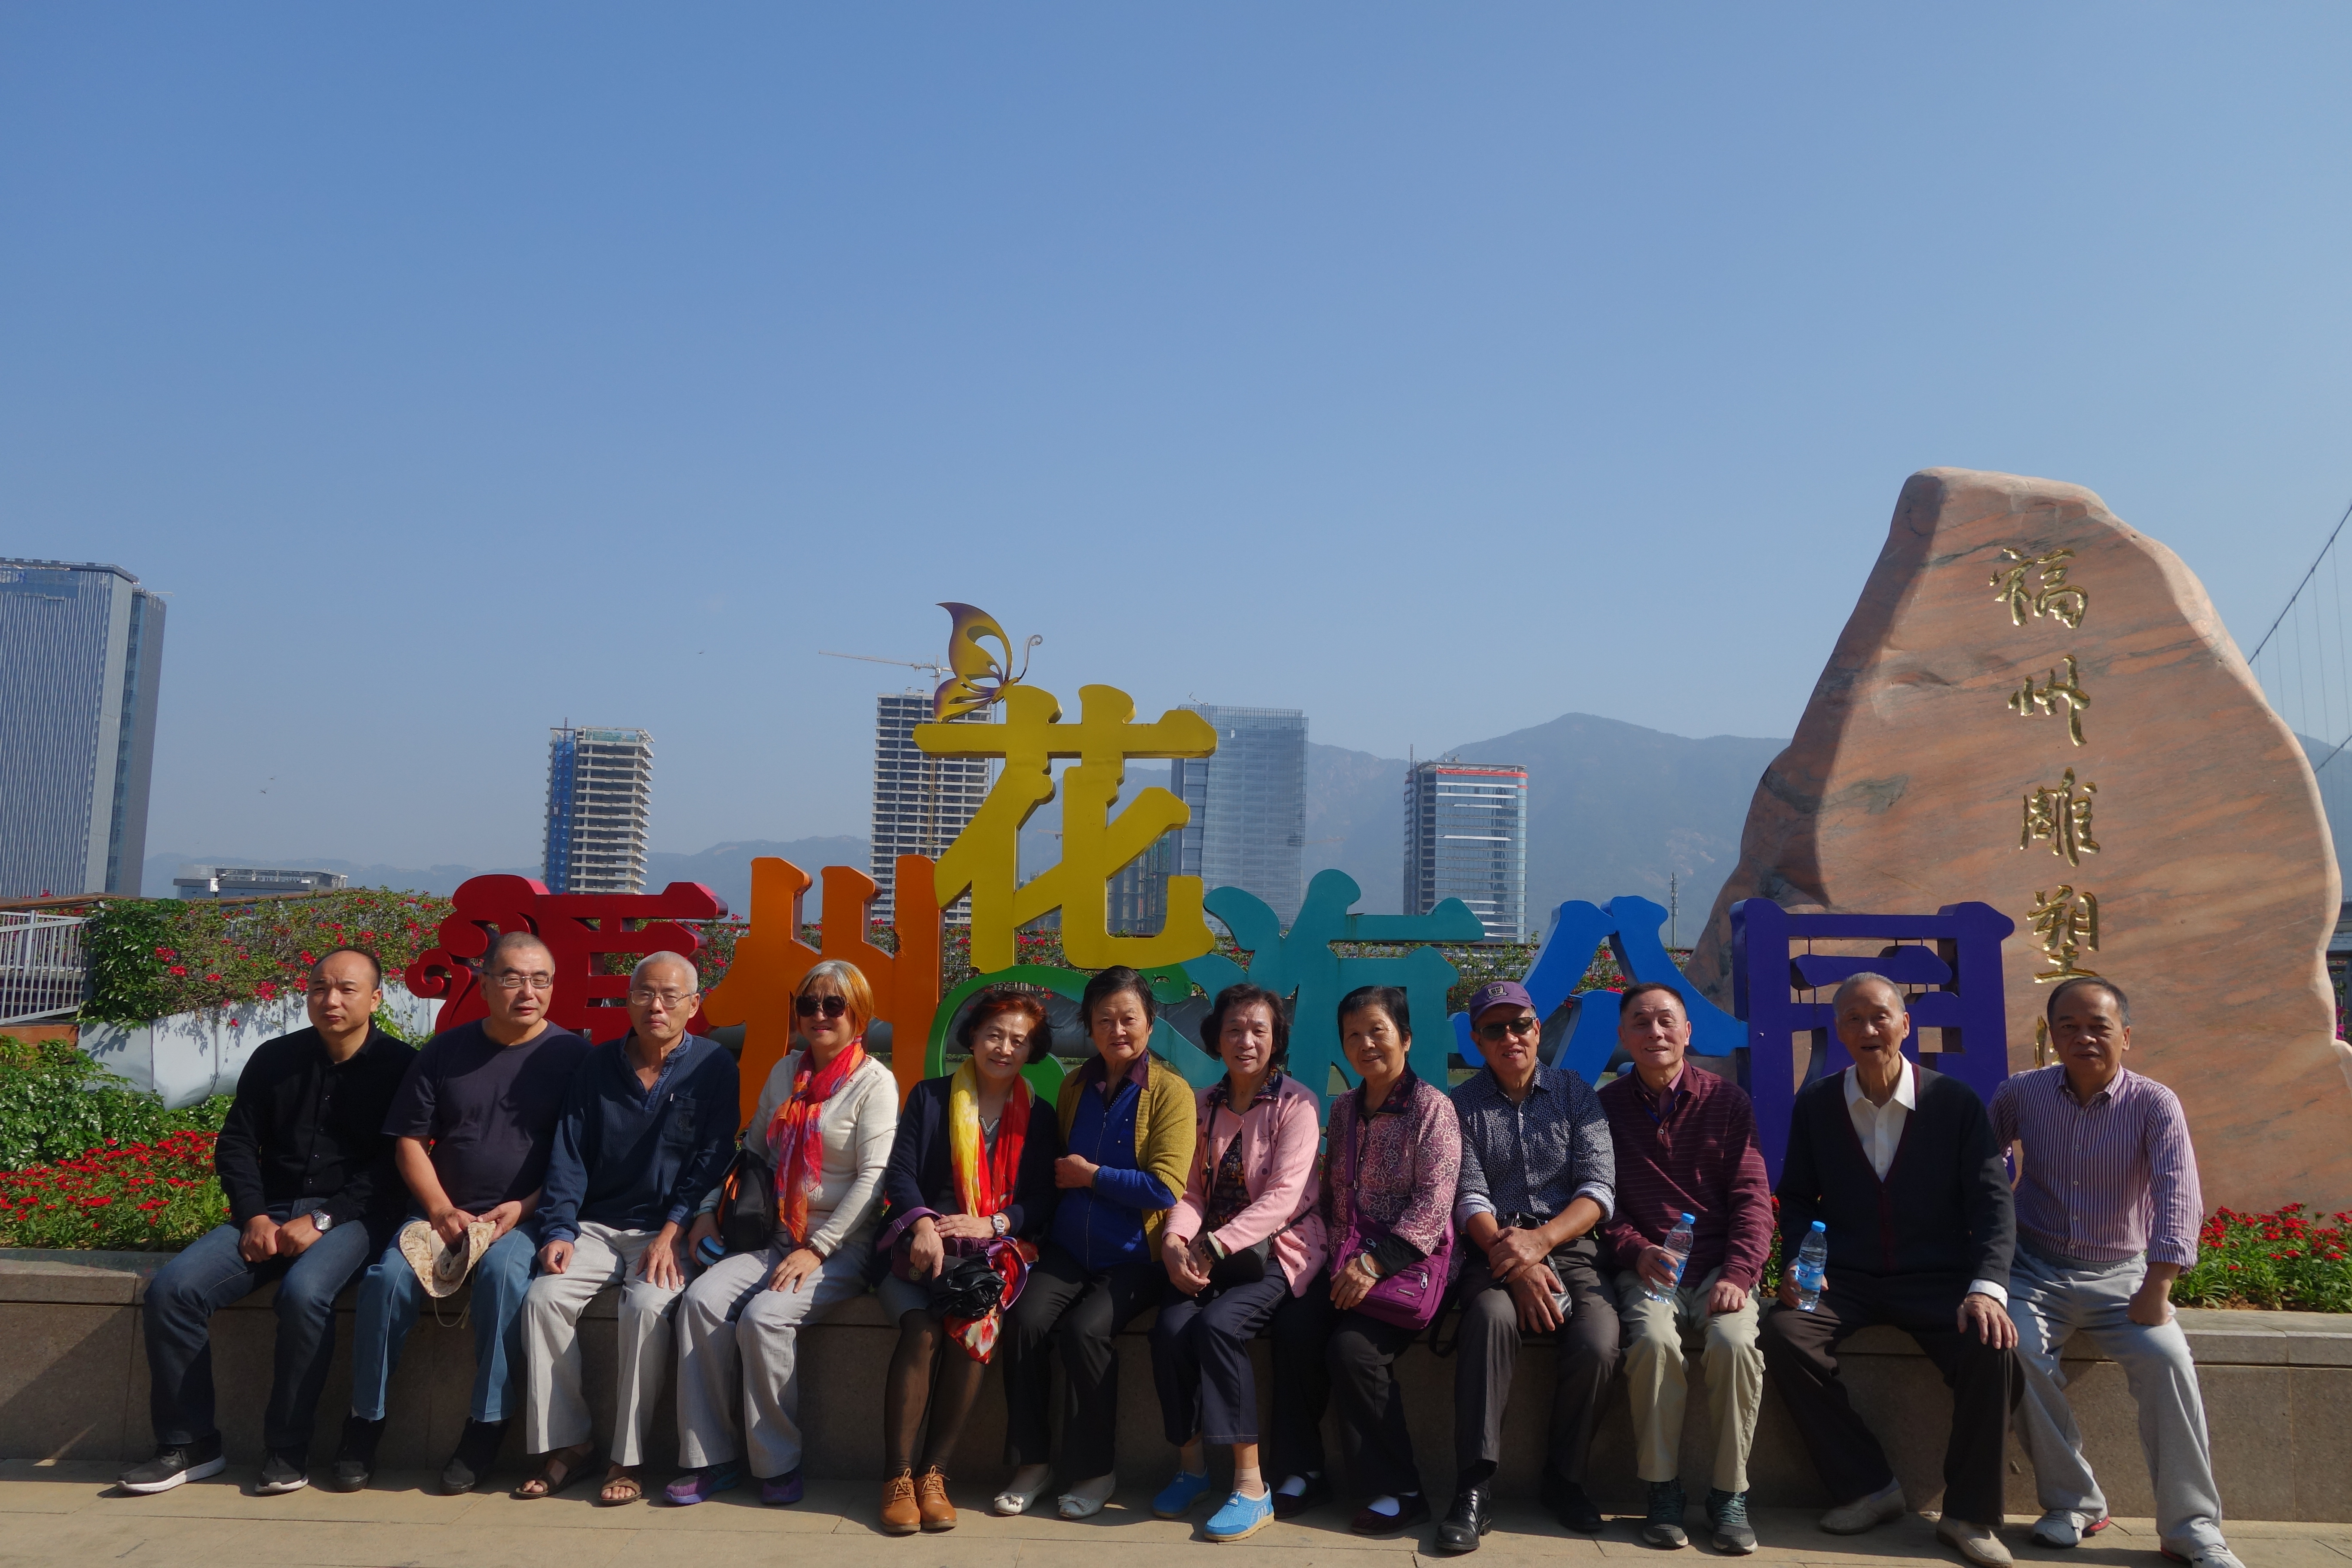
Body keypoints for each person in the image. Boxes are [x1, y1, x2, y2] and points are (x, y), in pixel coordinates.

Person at [119, 949, 416, 1496]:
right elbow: (236, 1143)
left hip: (355, 1218)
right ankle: (190, 1443)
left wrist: (323, 1219)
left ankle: (287, 1448)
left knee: (304, 1295)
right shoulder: (275, 1058)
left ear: (376, 999)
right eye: (319, 988)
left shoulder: (402, 1067)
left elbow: (393, 1166)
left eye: (347, 989)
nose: (330, 1000)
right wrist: (253, 1215)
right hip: (271, 1211)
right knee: (174, 1291)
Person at [1759, 973, 2023, 1568]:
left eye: (1880, 1016)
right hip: (1846, 1279)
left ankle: (1969, 1514)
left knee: (1992, 1348)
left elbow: (1992, 1204)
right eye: (1854, 1019)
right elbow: (1796, 1196)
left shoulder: (1953, 1103)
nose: (1869, 1029)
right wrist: (1800, 1258)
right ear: (1839, 1031)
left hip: (1937, 1278)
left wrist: (1987, 1288)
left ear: (1906, 1024)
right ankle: (1869, 1487)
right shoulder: (1818, 1104)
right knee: (1783, 1332)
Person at [1991, 977, 2241, 1568]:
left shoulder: (2155, 1104)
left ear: (2125, 1036)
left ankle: (2191, 1526)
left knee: (2169, 1362)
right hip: (2034, 1270)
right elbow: (1982, 1160)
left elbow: (2179, 1194)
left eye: (2098, 1027)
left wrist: (2159, 1284)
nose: (2084, 1038)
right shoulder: (2020, 1093)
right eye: (2070, 1027)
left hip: (2124, 1276)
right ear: (2052, 1038)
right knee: (2013, 1350)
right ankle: (2073, 1502)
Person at [334, 931, 590, 1494]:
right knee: (385, 1282)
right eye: (513, 978)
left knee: (503, 1279)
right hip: (439, 1214)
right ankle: (364, 1421)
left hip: (524, 1218)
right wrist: (441, 1209)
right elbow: (409, 1141)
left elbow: (580, 1157)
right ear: (485, 983)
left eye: (540, 980)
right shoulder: (446, 1051)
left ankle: (486, 1426)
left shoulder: (574, 1058)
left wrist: (523, 1207)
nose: (528, 991)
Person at [670, 959, 898, 1507]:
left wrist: (818, 1249)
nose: (820, 1015)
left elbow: (873, 1181)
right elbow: (752, 1153)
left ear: (859, 1014)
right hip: (773, 1235)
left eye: (834, 1005)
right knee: (700, 1301)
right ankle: (711, 1458)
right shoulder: (785, 1072)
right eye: (809, 1005)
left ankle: (778, 1462)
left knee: (765, 1317)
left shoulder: (874, 1083)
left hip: (840, 1246)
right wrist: (707, 1209)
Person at [514, 951, 738, 1505]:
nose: (656, 1006)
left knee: (646, 1308)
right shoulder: (597, 1066)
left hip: (667, 1230)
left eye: (670, 996)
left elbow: (712, 1159)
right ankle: (570, 1444)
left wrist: (673, 1228)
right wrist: (559, 1230)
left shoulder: (713, 1066)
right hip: (595, 1226)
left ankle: (627, 1457)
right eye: (644, 993)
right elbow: (569, 1155)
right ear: (629, 1000)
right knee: (543, 1299)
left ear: (694, 1005)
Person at [996, 965, 1194, 1520]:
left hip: (1135, 1258)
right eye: (1104, 1020)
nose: (1117, 1030)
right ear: (1088, 1026)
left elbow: (1165, 1187)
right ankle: (1032, 1463)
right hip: (1068, 1250)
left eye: (1129, 1018)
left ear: (1150, 1023)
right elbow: (1057, 1168)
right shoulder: (1075, 1087)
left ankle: (1095, 1470)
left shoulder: (1171, 1093)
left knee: (1086, 1331)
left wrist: (1094, 1176)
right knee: (1024, 1320)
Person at [1269, 985, 1459, 1537]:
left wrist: (1375, 1264)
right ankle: (1304, 1470)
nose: (1366, 1044)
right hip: (1344, 1262)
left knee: (1353, 1349)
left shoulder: (1433, 1108)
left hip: (1406, 1268)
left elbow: (1434, 1203)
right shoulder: (1345, 1107)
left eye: (1378, 1031)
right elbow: (1333, 1195)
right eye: (1353, 1035)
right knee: (1294, 1329)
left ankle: (1401, 1489)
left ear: (1406, 1038)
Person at [868, 986, 1058, 1534]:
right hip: (915, 1251)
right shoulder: (930, 1098)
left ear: (1033, 1050)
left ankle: (934, 1475)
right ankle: (897, 1477)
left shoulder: (1040, 1117)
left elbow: (1043, 1199)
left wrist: (995, 1223)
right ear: (972, 1038)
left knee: (976, 1326)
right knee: (923, 1330)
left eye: (1019, 1040)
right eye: (994, 1035)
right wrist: (924, 1225)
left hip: (989, 1257)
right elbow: (901, 1174)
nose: (1005, 1048)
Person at [1439, 980, 1617, 1553]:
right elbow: (1468, 1196)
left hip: (1569, 1245)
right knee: (1489, 1319)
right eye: (1495, 1029)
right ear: (1477, 1041)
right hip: (1491, 1250)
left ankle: (1565, 1478)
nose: (1510, 1038)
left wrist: (1540, 1243)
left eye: (1520, 1025)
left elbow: (1598, 1190)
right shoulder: (1460, 1106)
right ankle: (1475, 1485)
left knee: (1599, 1341)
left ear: (1539, 1030)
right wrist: (1515, 1263)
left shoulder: (1576, 1094)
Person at [1596, 981, 1773, 1555]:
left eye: (1666, 1020)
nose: (1655, 1032)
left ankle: (1729, 1495)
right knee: (1652, 1344)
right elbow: (1601, 1205)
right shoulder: (1606, 1109)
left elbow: (1753, 1199)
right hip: (1649, 1270)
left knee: (1735, 1345)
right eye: (1641, 1023)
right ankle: (1662, 1491)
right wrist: (1636, 1251)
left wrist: (1739, 1275)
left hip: (1720, 1267)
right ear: (1623, 1037)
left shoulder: (1727, 1102)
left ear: (1688, 1032)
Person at [1148, 983, 1328, 1544]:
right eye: (1234, 1029)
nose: (1245, 1040)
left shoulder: (1297, 1105)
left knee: (1219, 1326)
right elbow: (1190, 1191)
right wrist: (1176, 1241)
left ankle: (1251, 1487)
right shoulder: (1203, 1103)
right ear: (1216, 1038)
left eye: (1258, 1030)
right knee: (1170, 1329)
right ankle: (1192, 1469)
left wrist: (1213, 1246)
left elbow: (1283, 1198)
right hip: (1210, 1252)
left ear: (1276, 1040)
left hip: (1279, 1252)